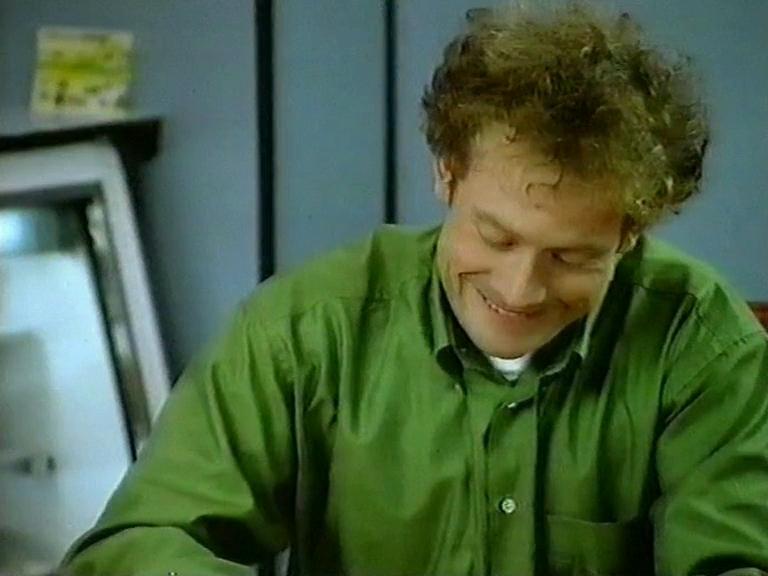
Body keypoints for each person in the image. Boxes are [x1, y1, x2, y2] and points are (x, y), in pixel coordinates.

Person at [63, 4, 768, 576]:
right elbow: (138, 545)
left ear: (631, 233)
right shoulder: (306, 331)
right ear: (446, 175)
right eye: (495, 237)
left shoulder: (701, 346)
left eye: (571, 257)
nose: (521, 289)